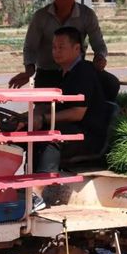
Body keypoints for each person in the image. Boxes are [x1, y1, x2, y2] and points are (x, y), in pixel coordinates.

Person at [23, 27, 107, 211]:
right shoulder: (64, 73)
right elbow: (53, 105)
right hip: (73, 128)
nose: (56, 51)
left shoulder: (83, 72)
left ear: (77, 49)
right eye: (53, 47)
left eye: (61, 47)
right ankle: (21, 185)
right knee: (24, 134)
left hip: (88, 134)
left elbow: (78, 112)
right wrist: (28, 117)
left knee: (52, 136)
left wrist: (44, 119)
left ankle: (37, 193)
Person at [9, 0, 108, 89]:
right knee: (44, 108)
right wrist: (29, 71)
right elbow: (30, 47)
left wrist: (100, 59)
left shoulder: (87, 15)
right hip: (46, 74)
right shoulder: (41, 16)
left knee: (109, 85)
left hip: (76, 74)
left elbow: (99, 45)